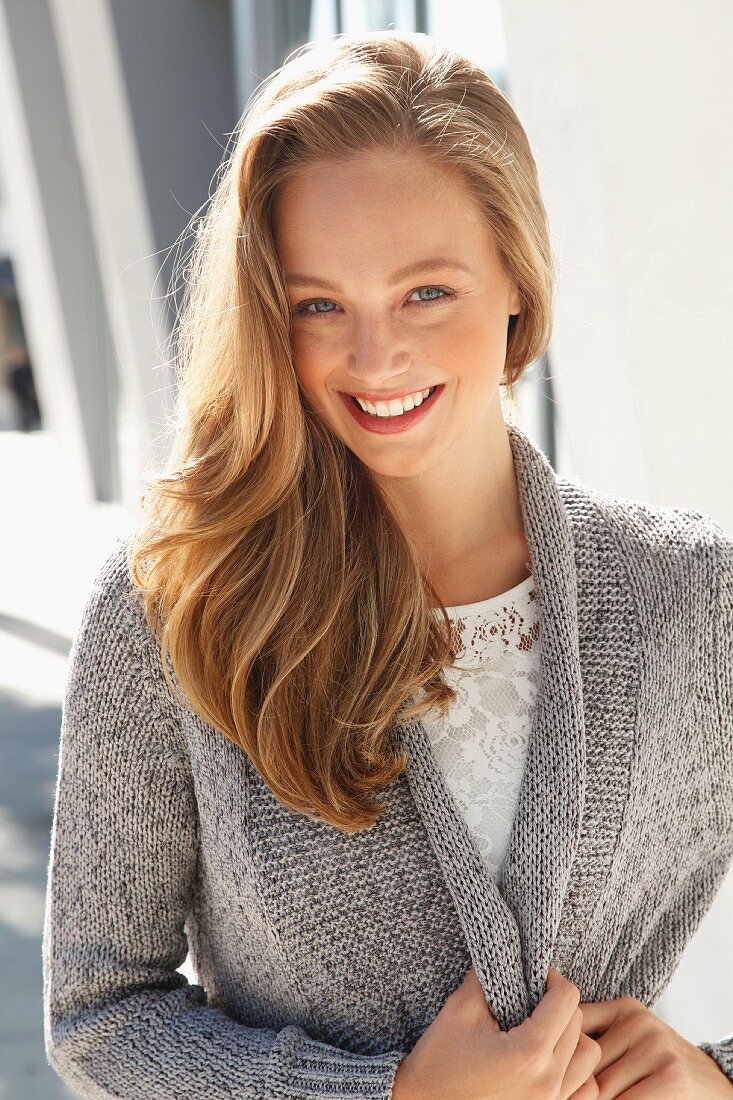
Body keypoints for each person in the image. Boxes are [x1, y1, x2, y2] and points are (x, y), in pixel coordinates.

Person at [42, 28, 733, 1099]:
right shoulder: (174, 606)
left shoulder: (694, 598)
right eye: (320, 304)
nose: (375, 358)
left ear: (514, 277)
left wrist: (712, 1078)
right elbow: (99, 1016)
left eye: (425, 292)